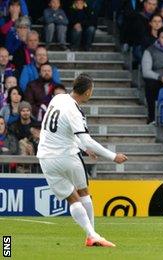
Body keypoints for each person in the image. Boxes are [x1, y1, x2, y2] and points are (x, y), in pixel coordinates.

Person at [37, 74, 127, 247]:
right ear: (87, 92)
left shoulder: (58, 98)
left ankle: (91, 235)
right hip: (67, 156)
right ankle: (92, 235)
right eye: (91, 90)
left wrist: (85, 148)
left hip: (46, 157)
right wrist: (113, 156)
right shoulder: (75, 111)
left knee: (72, 198)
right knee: (83, 192)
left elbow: (61, 130)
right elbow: (86, 139)